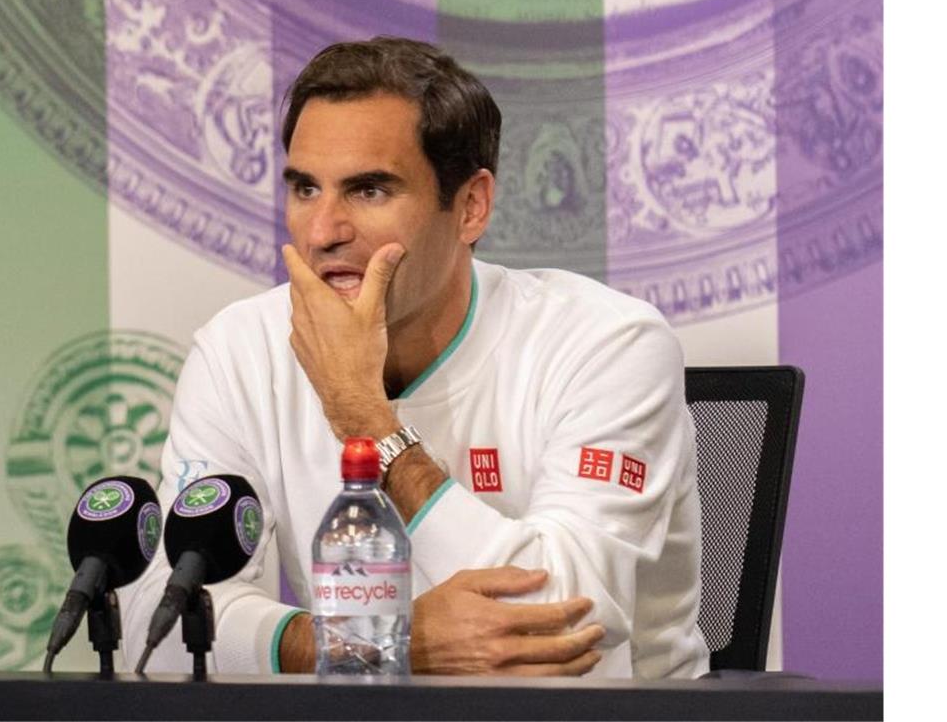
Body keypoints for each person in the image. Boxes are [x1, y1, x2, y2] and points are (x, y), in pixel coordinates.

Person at [121, 37, 709, 678]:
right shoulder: (240, 350)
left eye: (369, 191)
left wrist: (367, 419)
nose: (323, 231)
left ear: (471, 207)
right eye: (306, 189)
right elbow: (157, 620)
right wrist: (375, 641)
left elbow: (559, 619)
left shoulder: (607, 343)